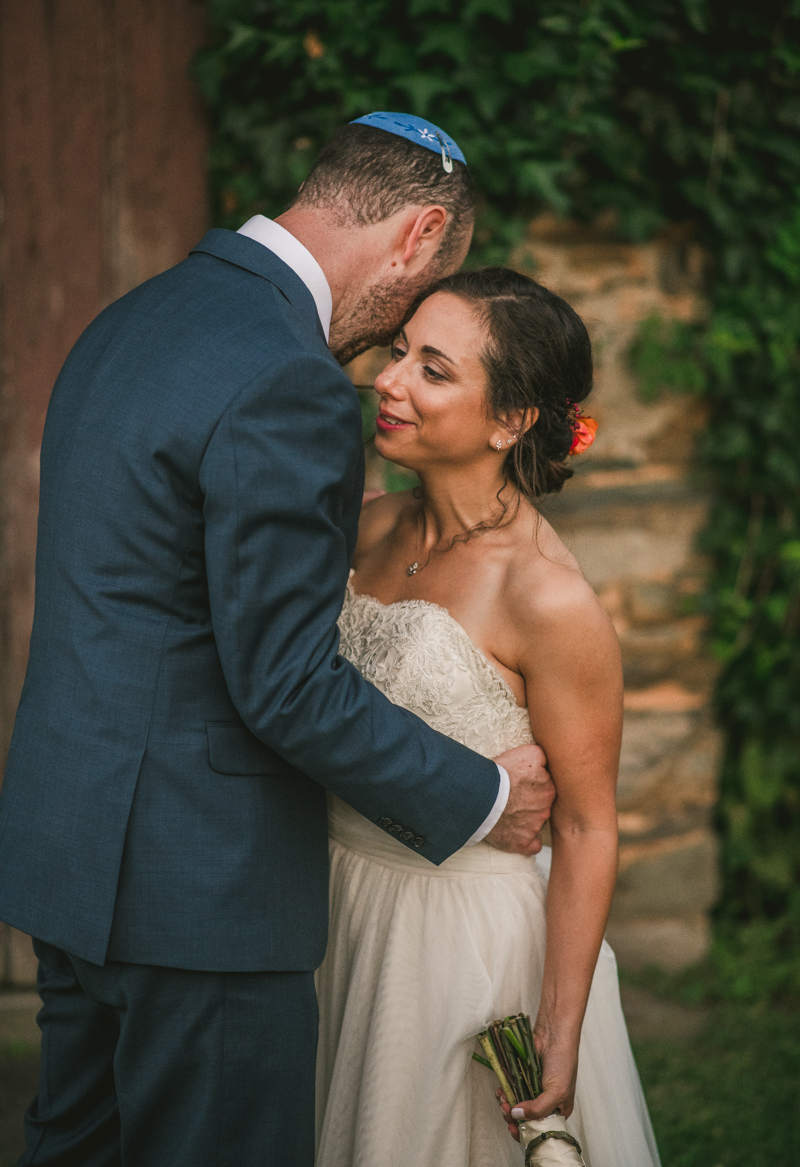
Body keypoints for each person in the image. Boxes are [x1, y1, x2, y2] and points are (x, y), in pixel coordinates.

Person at [0, 116, 554, 1167]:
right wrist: (483, 796)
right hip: (199, 890)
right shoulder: (285, 373)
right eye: (414, 310)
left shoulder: (134, 317)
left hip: (71, 854)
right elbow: (287, 682)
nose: (387, 350)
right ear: (419, 232)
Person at [315, 267, 662, 1167]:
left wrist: (560, 1021)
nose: (389, 381)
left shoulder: (549, 599)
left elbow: (587, 824)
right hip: (334, 901)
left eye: (434, 370)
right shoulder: (367, 528)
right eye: (399, 354)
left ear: (510, 421)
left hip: (459, 947)